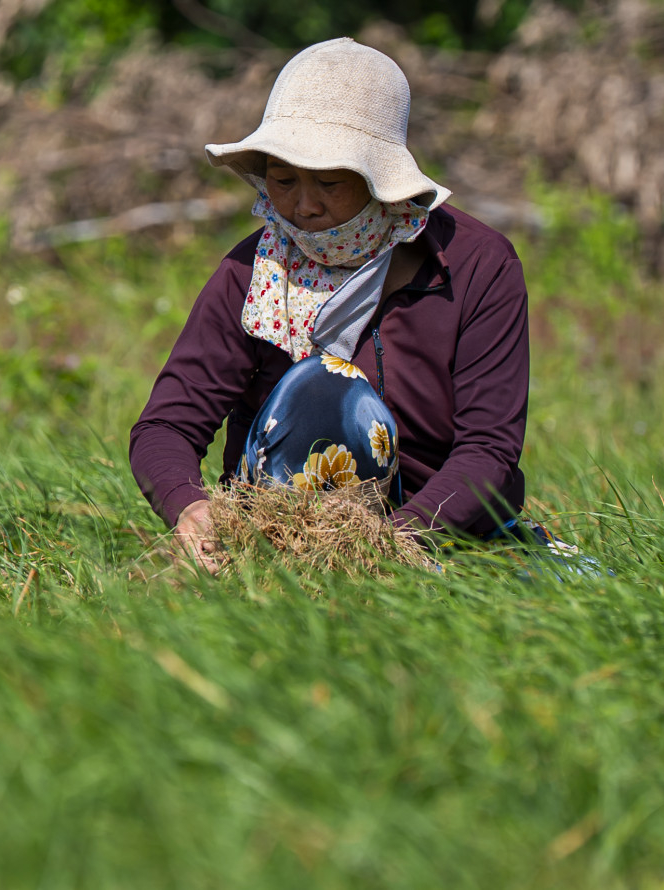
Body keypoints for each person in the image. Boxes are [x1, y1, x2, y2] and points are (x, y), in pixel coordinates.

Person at [130, 38, 530, 571]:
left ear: (380, 182)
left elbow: (489, 449)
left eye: (330, 182)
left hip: (440, 539)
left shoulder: (476, 266)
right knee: (317, 385)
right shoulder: (253, 273)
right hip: (273, 538)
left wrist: (393, 547)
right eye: (284, 180)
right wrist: (190, 506)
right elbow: (167, 426)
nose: (303, 206)